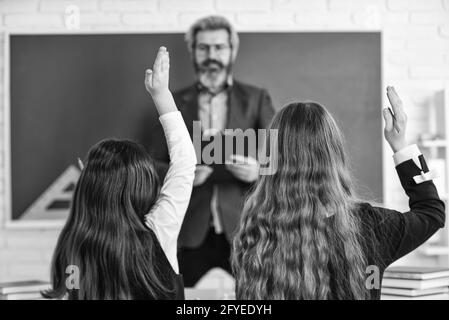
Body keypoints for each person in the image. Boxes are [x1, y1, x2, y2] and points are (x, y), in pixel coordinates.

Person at [232, 86, 446, 300]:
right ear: (334, 156)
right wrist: (400, 145)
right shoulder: (369, 226)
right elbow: (432, 211)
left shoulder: (256, 232)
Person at [43, 47, 197, 299]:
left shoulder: (73, 246)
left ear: (88, 187)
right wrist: (161, 95)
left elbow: (72, 294)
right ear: (142, 189)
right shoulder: (158, 230)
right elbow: (184, 161)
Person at [150, 15, 275, 287]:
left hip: (245, 228)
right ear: (193, 52)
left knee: (259, 297)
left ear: (233, 50)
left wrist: (257, 171)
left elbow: (279, 159)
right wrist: (182, 173)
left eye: (219, 47)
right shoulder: (173, 102)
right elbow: (153, 164)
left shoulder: (256, 98)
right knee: (172, 294)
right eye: (204, 48)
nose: (212, 55)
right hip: (189, 228)